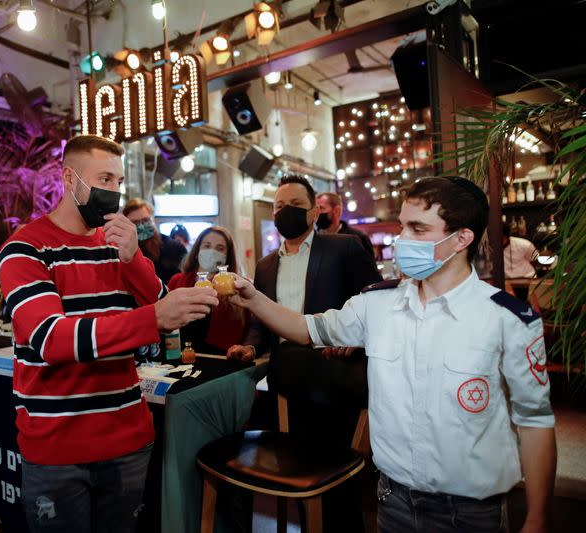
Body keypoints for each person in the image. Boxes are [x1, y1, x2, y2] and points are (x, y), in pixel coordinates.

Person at [228, 176, 557, 533]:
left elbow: (535, 422)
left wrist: (537, 518)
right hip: (392, 501)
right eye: (403, 226)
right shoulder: (377, 304)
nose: (402, 240)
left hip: (470, 511)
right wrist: (254, 298)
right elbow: (307, 329)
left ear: (462, 238)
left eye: (418, 228)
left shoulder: (507, 319)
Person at [0, 134, 217, 533]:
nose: (113, 191)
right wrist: (151, 318)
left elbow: (161, 304)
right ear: (69, 178)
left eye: (118, 181)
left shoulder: (118, 244)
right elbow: (51, 339)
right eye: (103, 179)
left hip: (127, 440)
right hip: (57, 449)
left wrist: (134, 259)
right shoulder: (25, 249)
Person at [227, 175, 381, 364]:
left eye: (296, 203)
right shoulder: (264, 266)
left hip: (334, 371)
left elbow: (376, 300)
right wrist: (250, 346)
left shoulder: (345, 248)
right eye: (280, 206)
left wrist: (359, 336)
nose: (287, 210)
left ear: (315, 213)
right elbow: (260, 322)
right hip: (283, 372)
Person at [168, 226, 249, 354]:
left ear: (227, 256)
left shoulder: (236, 285)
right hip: (181, 353)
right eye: (207, 246)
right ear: (197, 251)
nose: (212, 251)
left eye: (220, 248)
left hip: (221, 357)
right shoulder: (177, 281)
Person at [122, 198, 186, 285]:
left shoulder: (175, 248)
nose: (141, 226)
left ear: (153, 220)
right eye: (135, 222)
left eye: (145, 220)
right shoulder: (121, 251)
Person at [316, 191, 375, 258]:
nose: (317, 213)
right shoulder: (314, 239)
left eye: (322, 208)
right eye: (316, 209)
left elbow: (369, 268)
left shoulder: (358, 238)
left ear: (336, 211)